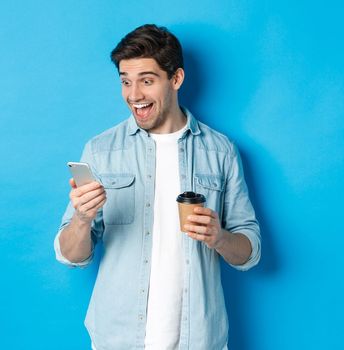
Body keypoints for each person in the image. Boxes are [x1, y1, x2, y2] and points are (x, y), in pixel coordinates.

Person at [53, 24, 261, 350]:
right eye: (125, 81)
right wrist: (82, 218)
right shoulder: (100, 150)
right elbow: (70, 256)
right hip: (117, 339)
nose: (133, 95)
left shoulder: (221, 151)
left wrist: (219, 237)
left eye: (147, 81)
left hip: (200, 340)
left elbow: (250, 253)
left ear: (175, 79)